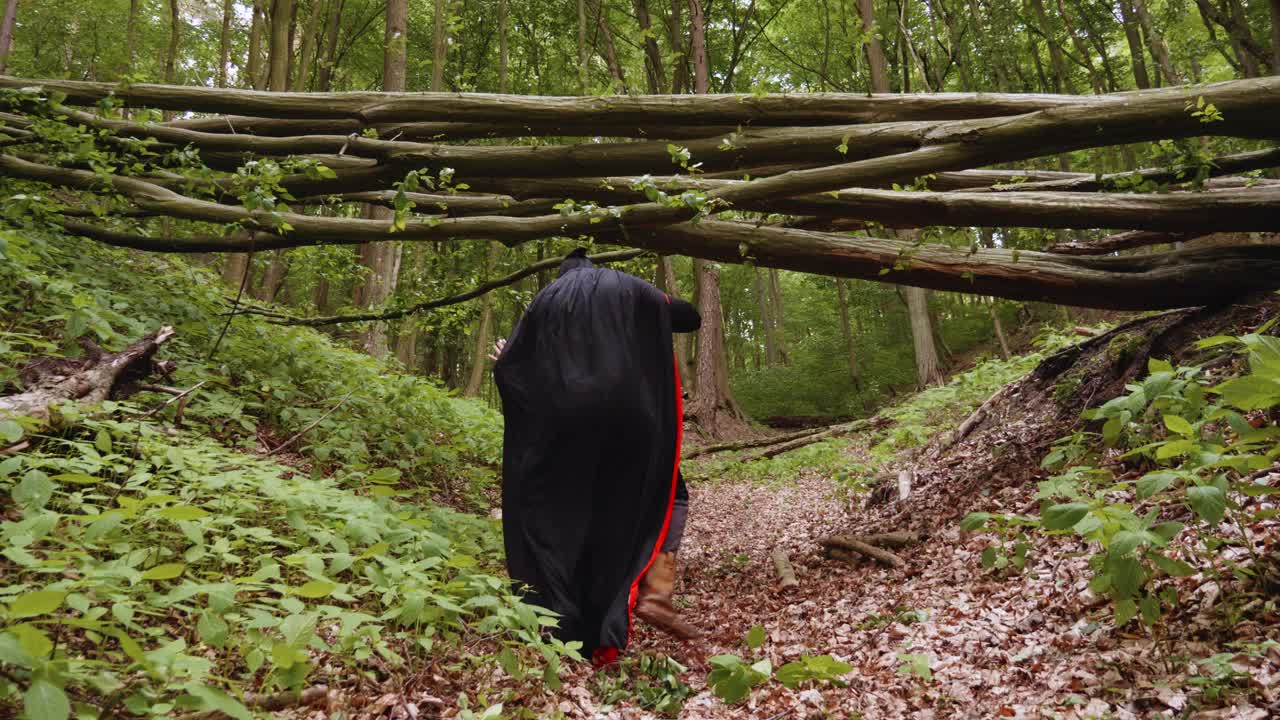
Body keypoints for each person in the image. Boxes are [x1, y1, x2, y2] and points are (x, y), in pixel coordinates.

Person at [491, 248, 701, 665]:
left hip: (564, 423)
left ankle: (562, 631)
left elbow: (513, 364)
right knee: (654, 496)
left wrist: (510, 360)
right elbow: (688, 316)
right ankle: (642, 602)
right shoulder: (630, 288)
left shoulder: (545, 300)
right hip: (632, 417)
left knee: (564, 517)